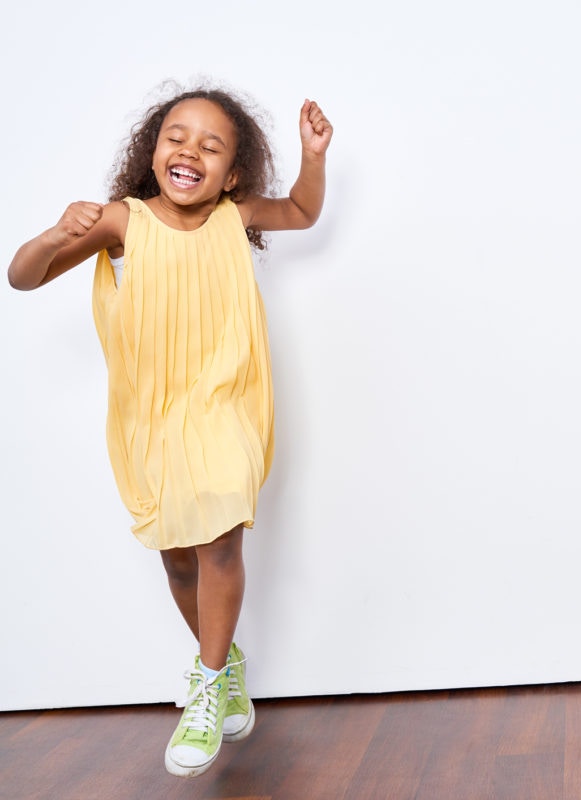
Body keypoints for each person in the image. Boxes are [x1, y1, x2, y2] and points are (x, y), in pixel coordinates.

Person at [7, 83, 333, 778]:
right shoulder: (123, 221)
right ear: (152, 151)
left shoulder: (233, 215)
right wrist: (54, 235)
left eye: (212, 146)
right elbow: (23, 278)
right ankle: (227, 662)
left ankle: (207, 687)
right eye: (176, 137)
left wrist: (312, 157)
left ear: (233, 172)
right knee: (178, 553)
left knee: (217, 539)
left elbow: (303, 210)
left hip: (226, 401)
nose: (191, 152)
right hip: (151, 416)